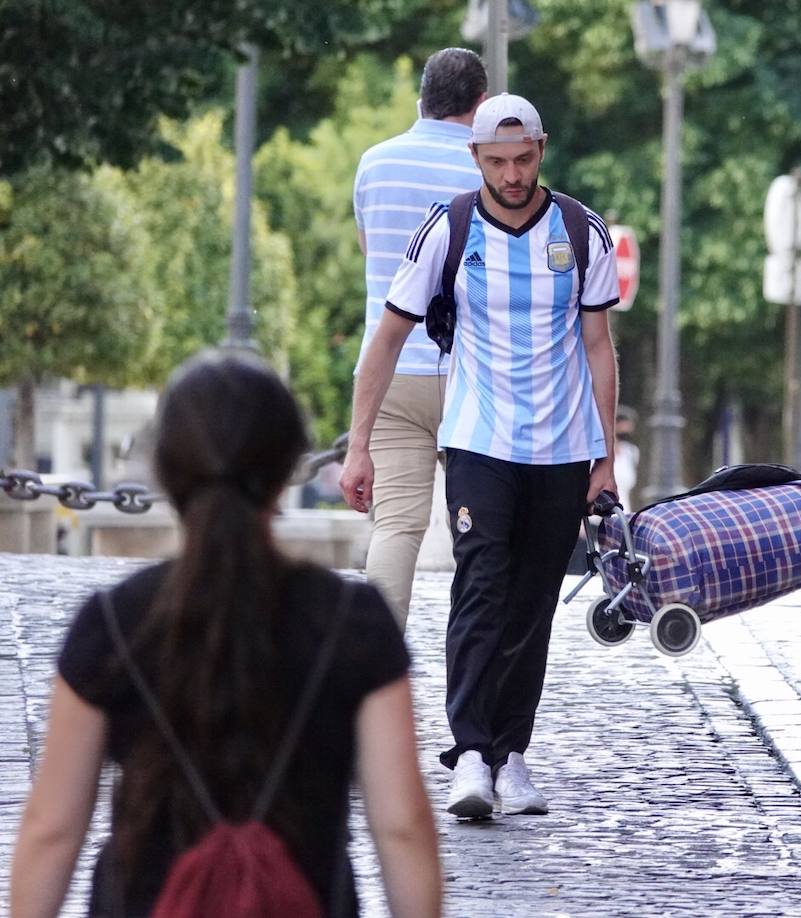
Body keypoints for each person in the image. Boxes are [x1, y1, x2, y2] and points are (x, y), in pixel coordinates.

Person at [10, 353, 440, 917]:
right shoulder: (352, 622)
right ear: (288, 469)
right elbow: (402, 826)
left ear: (166, 470)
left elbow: (52, 830)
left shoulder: (113, 623)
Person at [340, 92, 619, 819]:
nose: (513, 174)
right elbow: (389, 337)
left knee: (533, 603)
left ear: (542, 150)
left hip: (560, 449)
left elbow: (598, 348)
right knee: (481, 590)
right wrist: (359, 444)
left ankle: (512, 754)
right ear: (476, 159)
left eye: (524, 159)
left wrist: (605, 458)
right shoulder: (450, 228)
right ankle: (469, 753)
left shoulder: (583, 232)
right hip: (478, 441)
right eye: (497, 161)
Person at [353, 47, 487, 625]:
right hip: (476, 376)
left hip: (390, 373)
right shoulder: (492, 170)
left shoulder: (374, 164)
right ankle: (478, 672)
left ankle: (372, 671)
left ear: (421, 100)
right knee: (484, 533)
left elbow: (371, 253)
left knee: (397, 526)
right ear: (481, 106)